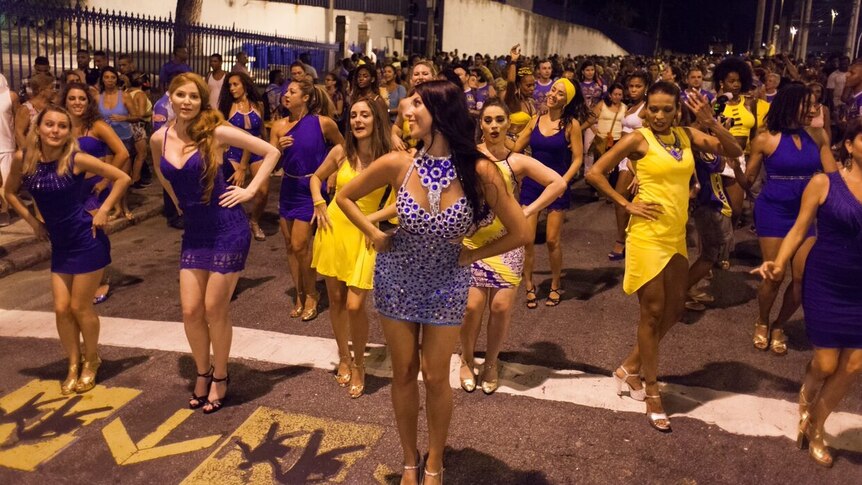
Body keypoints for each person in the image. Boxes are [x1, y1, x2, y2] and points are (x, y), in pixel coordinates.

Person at [336, 80, 529, 485]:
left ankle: (435, 460)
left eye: (418, 104)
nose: (408, 110)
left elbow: (521, 232)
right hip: (397, 280)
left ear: (441, 112)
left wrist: (472, 254)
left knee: (436, 376)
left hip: (447, 283)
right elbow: (345, 198)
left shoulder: (479, 170)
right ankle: (409, 460)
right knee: (403, 373)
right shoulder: (398, 163)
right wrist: (374, 235)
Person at [586, 82, 742, 432]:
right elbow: (594, 172)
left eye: (666, 110)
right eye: (652, 109)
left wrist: (711, 122)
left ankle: (628, 367)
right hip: (645, 236)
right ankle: (652, 390)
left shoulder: (687, 136)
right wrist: (626, 203)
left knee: (675, 309)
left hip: (675, 236)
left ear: (677, 111)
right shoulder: (638, 139)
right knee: (653, 312)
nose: (657, 115)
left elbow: (734, 149)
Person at [149, 72, 279, 414]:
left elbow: (270, 152)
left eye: (194, 96)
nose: (187, 102)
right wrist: (178, 201)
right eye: (181, 95)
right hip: (195, 230)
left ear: (202, 100)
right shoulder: (158, 138)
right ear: (170, 97)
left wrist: (249, 190)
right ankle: (202, 372)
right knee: (191, 311)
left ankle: (221, 376)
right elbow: (162, 173)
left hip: (227, 226)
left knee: (213, 308)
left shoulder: (215, 132)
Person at [752, 121, 862, 468]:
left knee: (854, 364)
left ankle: (816, 426)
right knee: (827, 363)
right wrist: (778, 262)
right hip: (827, 280)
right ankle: (806, 396)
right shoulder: (823, 182)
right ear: (849, 145)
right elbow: (800, 228)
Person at [3, 105, 130, 395]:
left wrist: (105, 210)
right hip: (60, 242)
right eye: (49, 124)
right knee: (61, 309)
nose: (55, 131)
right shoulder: (24, 160)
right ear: (38, 127)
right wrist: (33, 222)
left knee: (79, 307)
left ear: (68, 131)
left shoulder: (76, 159)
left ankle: (92, 360)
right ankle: (73, 363)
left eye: (62, 126)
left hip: (87, 238)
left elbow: (122, 178)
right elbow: (8, 192)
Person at [460, 99, 566, 394]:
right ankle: (466, 358)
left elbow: (557, 183)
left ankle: (491, 362)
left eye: (499, 120)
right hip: (474, 241)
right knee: (471, 307)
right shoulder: (468, 157)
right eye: (488, 120)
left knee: (501, 306)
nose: (493, 126)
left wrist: (528, 211)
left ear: (509, 124)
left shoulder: (515, 161)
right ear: (480, 124)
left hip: (507, 243)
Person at [731, 83, 837, 355]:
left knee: (804, 278)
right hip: (773, 212)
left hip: (805, 215)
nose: (814, 110)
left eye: (815, 105)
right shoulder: (765, 138)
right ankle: (762, 320)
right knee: (774, 276)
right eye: (809, 105)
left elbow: (834, 178)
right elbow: (749, 182)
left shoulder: (818, 135)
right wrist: (734, 167)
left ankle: (780, 324)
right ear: (791, 105)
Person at [310, 100, 393, 399]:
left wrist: (370, 220)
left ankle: (360, 364)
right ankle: (343, 357)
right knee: (335, 300)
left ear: (377, 119)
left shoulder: (388, 159)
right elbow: (315, 178)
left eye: (365, 115)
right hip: (333, 230)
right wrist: (319, 202)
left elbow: (400, 203)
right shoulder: (341, 152)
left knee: (356, 305)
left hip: (364, 235)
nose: (358, 120)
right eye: (354, 115)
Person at [270, 79, 344, 321]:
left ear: (306, 98)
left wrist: (332, 174)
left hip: (311, 189)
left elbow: (343, 149)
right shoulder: (278, 126)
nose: (286, 95)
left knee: (302, 244)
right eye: (285, 91)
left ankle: (312, 294)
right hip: (288, 187)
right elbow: (271, 164)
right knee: (290, 245)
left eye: (292, 91)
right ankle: (299, 294)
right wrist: (279, 149)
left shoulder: (324, 123)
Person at [513, 78, 587, 308]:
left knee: (553, 240)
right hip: (533, 185)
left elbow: (578, 158)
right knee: (527, 239)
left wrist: (563, 182)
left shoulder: (571, 124)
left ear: (568, 100)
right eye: (553, 89)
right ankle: (528, 286)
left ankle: (555, 284)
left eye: (561, 93)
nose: (554, 94)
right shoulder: (535, 120)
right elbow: (516, 149)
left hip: (557, 185)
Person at [63, 82, 130, 304]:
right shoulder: (60, 126)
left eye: (82, 98)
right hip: (70, 190)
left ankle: (101, 278)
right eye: (72, 98)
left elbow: (122, 153)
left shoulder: (97, 126)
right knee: (73, 235)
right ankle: (81, 275)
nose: (77, 103)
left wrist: (106, 180)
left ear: (88, 102)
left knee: (94, 233)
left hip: (94, 188)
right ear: (65, 101)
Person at [217, 71, 268, 241]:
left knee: (263, 191)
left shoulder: (258, 104)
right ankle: (233, 224)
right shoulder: (226, 106)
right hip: (234, 152)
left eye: (235, 84)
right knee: (231, 191)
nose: (231, 88)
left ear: (245, 85)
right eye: (229, 85)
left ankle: (254, 221)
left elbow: (260, 131)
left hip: (256, 151)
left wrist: (270, 153)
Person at [606, 71, 648, 261]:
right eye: (631, 86)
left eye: (638, 86)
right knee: (621, 199)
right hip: (624, 158)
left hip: (637, 160)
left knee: (624, 197)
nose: (633, 90)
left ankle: (623, 240)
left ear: (646, 87)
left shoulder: (647, 109)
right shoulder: (631, 107)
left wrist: (637, 170)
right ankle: (625, 237)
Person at [98, 66, 139, 221]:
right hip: (106, 140)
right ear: (102, 79)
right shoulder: (98, 97)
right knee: (109, 175)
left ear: (117, 79)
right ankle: (116, 208)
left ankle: (125, 206)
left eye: (112, 77)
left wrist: (125, 118)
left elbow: (137, 116)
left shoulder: (125, 96)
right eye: (106, 77)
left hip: (124, 139)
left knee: (124, 175)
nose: (109, 80)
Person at [391, 61, 437, 151]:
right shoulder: (405, 103)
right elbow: (397, 126)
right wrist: (394, 136)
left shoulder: (439, 101)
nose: (420, 77)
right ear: (411, 80)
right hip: (408, 152)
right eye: (416, 74)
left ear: (434, 78)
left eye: (425, 74)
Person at [503, 45, 536, 139]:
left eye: (533, 85)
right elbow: (510, 82)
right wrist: (513, 61)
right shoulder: (511, 100)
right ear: (518, 85)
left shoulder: (531, 102)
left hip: (527, 146)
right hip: (511, 145)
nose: (532, 88)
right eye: (528, 85)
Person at [0, 73, 19, 227]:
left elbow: (17, 118)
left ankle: (5, 210)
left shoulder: (10, 96)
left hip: (6, 144)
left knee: (7, 180)